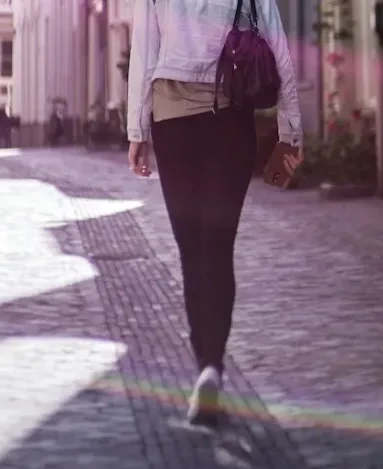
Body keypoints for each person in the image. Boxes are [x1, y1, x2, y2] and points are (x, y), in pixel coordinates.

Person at [126, 0, 303, 426]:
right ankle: (213, 367)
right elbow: (278, 45)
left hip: (173, 124)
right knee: (217, 247)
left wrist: (137, 131)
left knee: (191, 251)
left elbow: (144, 52)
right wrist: (291, 130)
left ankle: (203, 364)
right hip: (230, 119)